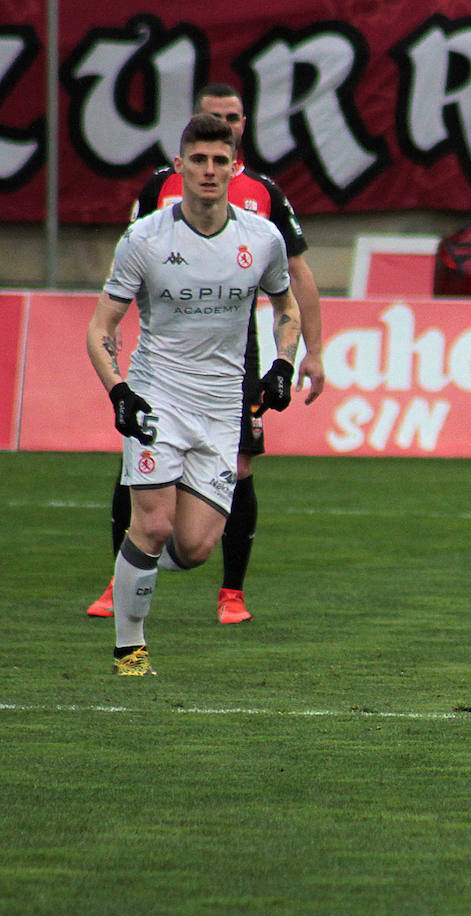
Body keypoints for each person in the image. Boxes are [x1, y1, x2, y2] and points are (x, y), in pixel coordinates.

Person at [85, 83, 325, 625]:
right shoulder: (151, 213)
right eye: (201, 153)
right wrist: (118, 384)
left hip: (231, 371)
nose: (212, 165)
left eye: (231, 127)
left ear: (238, 149)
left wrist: (300, 356)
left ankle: (222, 586)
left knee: (217, 506)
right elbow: (116, 296)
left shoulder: (263, 205)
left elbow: (294, 281)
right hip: (159, 378)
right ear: (181, 161)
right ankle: (128, 615)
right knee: (147, 507)